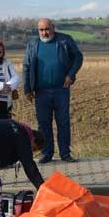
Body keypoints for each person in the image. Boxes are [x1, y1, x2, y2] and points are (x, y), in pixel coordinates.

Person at [22, 18, 83, 164]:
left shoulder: (65, 40)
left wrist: (71, 74)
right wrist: (27, 89)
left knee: (63, 122)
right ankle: (46, 153)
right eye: (41, 30)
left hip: (61, 90)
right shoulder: (32, 44)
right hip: (40, 92)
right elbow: (26, 67)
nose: (44, 32)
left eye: (47, 29)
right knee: (44, 124)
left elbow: (78, 57)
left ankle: (65, 153)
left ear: (53, 28)